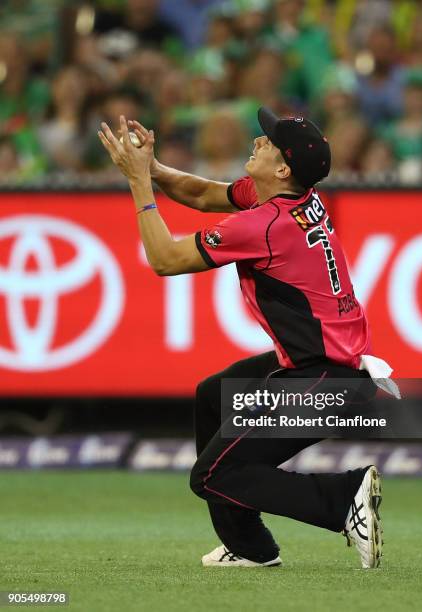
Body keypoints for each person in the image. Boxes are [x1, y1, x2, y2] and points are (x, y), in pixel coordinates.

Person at [97, 107, 390, 570]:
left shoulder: (266, 223)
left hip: (326, 384)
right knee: (215, 397)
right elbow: (199, 192)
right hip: (324, 371)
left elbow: (165, 259)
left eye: (269, 141)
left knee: (212, 474)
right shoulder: (287, 197)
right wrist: (151, 168)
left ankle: (342, 497)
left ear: (282, 169)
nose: (258, 140)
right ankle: (249, 547)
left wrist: (137, 184)